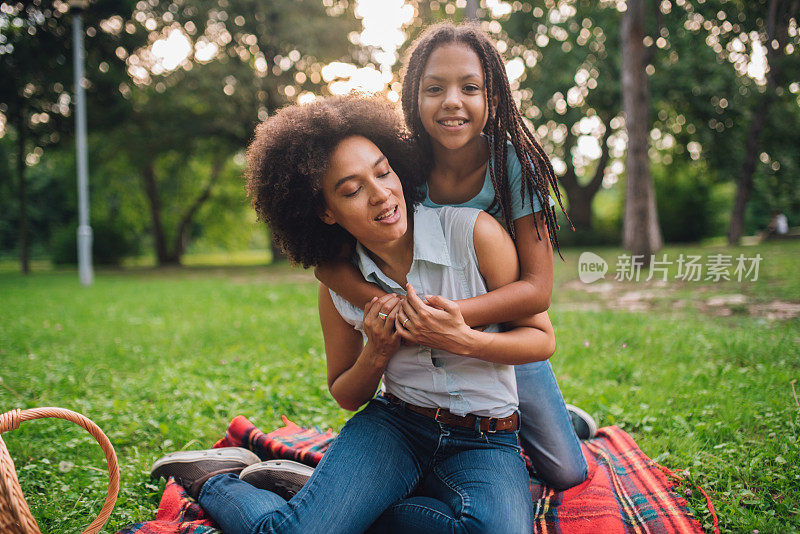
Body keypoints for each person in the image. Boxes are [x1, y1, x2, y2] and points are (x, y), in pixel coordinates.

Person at [151, 96, 556, 534]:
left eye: (383, 171)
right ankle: (216, 482)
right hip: (396, 428)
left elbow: (540, 339)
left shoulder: (475, 235)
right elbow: (346, 393)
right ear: (325, 211)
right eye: (352, 189)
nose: (381, 194)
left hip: (486, 439)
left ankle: (331, 503)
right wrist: (376, 353)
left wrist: (466, 339)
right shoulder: (338, 284)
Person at [315, 22, 592, 490]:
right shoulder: (400, 164)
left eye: (470, 88)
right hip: (426, 349)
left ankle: (561, 421)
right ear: (412, 97)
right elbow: (329, 266)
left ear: (493, 98)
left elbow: (538, 291)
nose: (452, 102)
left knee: (566, 472)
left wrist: (453, 321)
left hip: (503, 331)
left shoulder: (515, 165)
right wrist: (403, 313)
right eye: (434, 88)